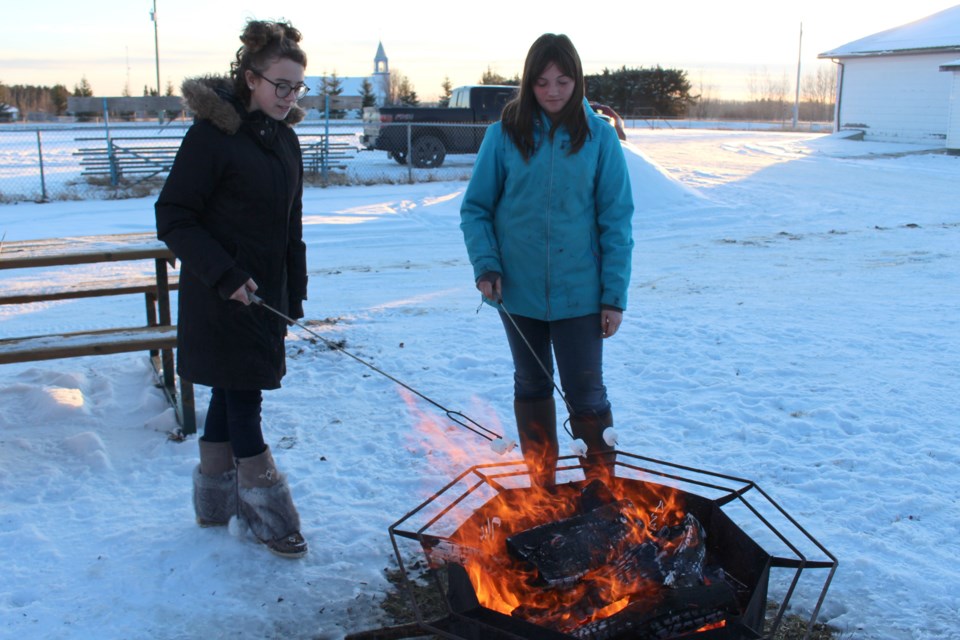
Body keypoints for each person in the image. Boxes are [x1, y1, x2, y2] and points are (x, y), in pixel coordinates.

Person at [155, 19, 309, 558]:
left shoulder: (285, 142)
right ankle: (272, 516)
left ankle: (215, 503)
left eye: (297, 88)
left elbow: (292, 225)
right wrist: (225, 276)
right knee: (244, 400)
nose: (288, 97)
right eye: (280, 86)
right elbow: (173, 216)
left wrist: (295, 293)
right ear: (251, 78)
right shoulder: (212, 138)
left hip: (266, 300)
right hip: (220, 298)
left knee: (230, 390)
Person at [460, 33, 634, 487]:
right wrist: (487, 266)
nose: (553, 91)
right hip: (517, 292)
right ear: (527, 83)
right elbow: (476, 209)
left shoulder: (599, 138)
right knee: (532, 385)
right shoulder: (503, 136)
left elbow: (616, 220)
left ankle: (601, 490)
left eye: (562, 80)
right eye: (541, 82)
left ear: (578, 80)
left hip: (582, 293)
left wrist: (613, 296)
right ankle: (543, 488)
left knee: (586, 393)